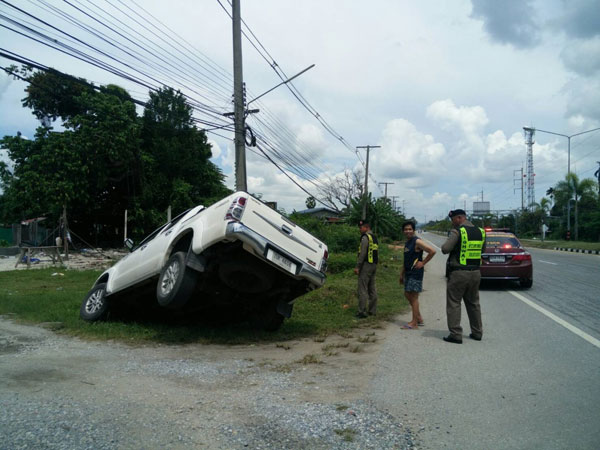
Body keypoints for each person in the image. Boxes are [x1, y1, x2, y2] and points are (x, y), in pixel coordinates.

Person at [441, 209, 486, 344]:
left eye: (453, 220)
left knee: (454, 303)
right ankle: (477, 332)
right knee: (474, 303)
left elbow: (445, 249)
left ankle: (455, 334)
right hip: (476, 273)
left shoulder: (458, 231)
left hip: (459, 273)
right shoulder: (481, 232)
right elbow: (482, 251)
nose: (452, 223)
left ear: (459, 218)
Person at [399, 220, 436, 329]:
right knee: (407, 294)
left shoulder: (417, 241)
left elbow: (432, 251)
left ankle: (414, 323)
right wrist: (402, 274)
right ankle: (418, 317)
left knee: (414, 297)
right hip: (408, 272)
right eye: (406, 229)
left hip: (415, 273)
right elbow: (406, 260)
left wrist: (423, 262)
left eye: (410, 229)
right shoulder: (407, 242)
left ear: (414, 230)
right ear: (403, 231)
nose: (408, 231)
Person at [354, 220, 378, 318]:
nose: (360, 229)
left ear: (366, 227)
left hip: (366, 265)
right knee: (372, 288)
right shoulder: (374, 237)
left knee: (362, 288)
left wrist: (357, 266)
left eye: (361, 227)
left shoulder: (365, 237)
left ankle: (362, 312)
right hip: (373, 265)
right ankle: (372, 310)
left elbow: (363, 253)